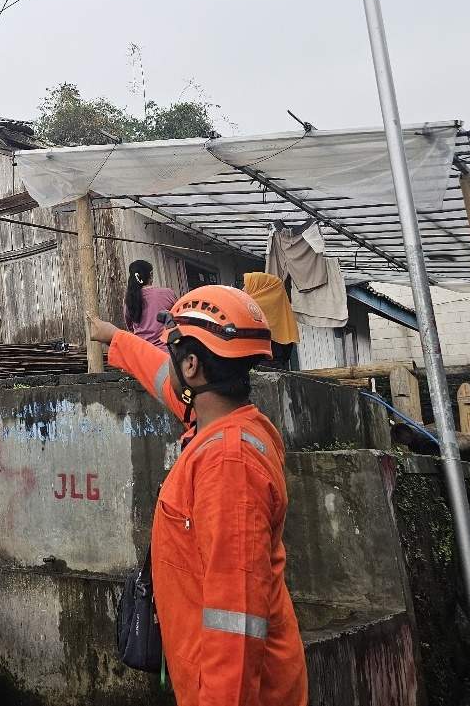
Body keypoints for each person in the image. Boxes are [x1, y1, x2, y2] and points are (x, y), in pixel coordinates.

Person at [88, 285, 308, 706]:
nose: (166, 357)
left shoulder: (229, 463)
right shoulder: (223, 423)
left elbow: (236, 623)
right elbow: (160, 376)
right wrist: (114, 338)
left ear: (191, 366)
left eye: (173, 349)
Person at [123, 260, 179, 352]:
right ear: (151, 274)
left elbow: (130, 327)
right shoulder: (167, 293)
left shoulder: (129, 300)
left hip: (141, 354)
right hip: (165, 354)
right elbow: (179, 317)